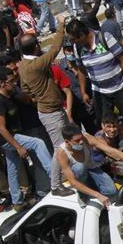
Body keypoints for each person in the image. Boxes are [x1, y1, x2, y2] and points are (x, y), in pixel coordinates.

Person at [0, 67, 55, 211]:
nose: (14, 83)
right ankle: (55, 180)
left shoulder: (10, 95)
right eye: (11, 81)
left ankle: (17, 201)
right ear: (2, 83)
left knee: (12, 168)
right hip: (7, 138)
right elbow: (1, 128)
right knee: (38, 143)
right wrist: (18, 147)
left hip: (12, 136)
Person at [18, 29, 74, 196]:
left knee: (65, 144)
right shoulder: (36, 64)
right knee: (59, 149)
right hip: (52, 113)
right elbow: (55, 48)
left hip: (50, 110)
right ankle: (55, 185)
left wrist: (38, 97)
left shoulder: (23, 66)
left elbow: (25, 89)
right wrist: (61, 25)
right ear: (36, 47)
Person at [56, 123, 123, 206]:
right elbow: (73, 182)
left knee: (111, 191)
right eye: (77, 140)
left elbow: (111, 150)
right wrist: (98, 195)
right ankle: (83, 194)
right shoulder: (62, 154)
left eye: (81, 138)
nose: (81, 142)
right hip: (78, 175)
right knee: (79, 167)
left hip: (92, 168)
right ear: (67, 141)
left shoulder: (87, 139)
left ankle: (92, 187)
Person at [66, 18, 123, 120]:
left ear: (82, 35)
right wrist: (83, 92)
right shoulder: (77, 47)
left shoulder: (105, 38)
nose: (72, 42)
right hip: (100, 93)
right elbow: (81, 70)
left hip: (119, 88)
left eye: (74, 39)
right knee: (105, 123)